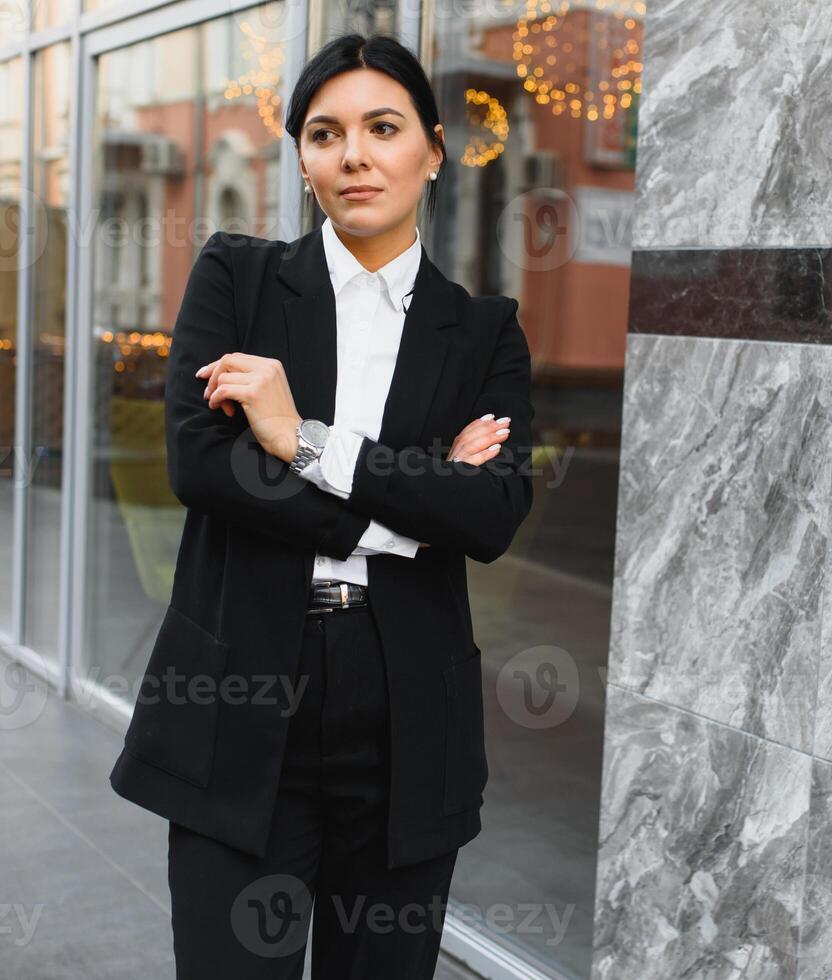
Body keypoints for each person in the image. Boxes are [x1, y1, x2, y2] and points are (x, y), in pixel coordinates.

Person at [107, 30, 534, 978]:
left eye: (382, 128)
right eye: (324, 133)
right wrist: (414, 505)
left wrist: (303, 440)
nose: (354, 155)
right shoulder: (239, 278)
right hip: (244, 688)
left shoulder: (483, 332)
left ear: (431, 147)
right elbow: (200, 464)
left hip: (406, 711)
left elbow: (493, 513)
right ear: (302, 159)